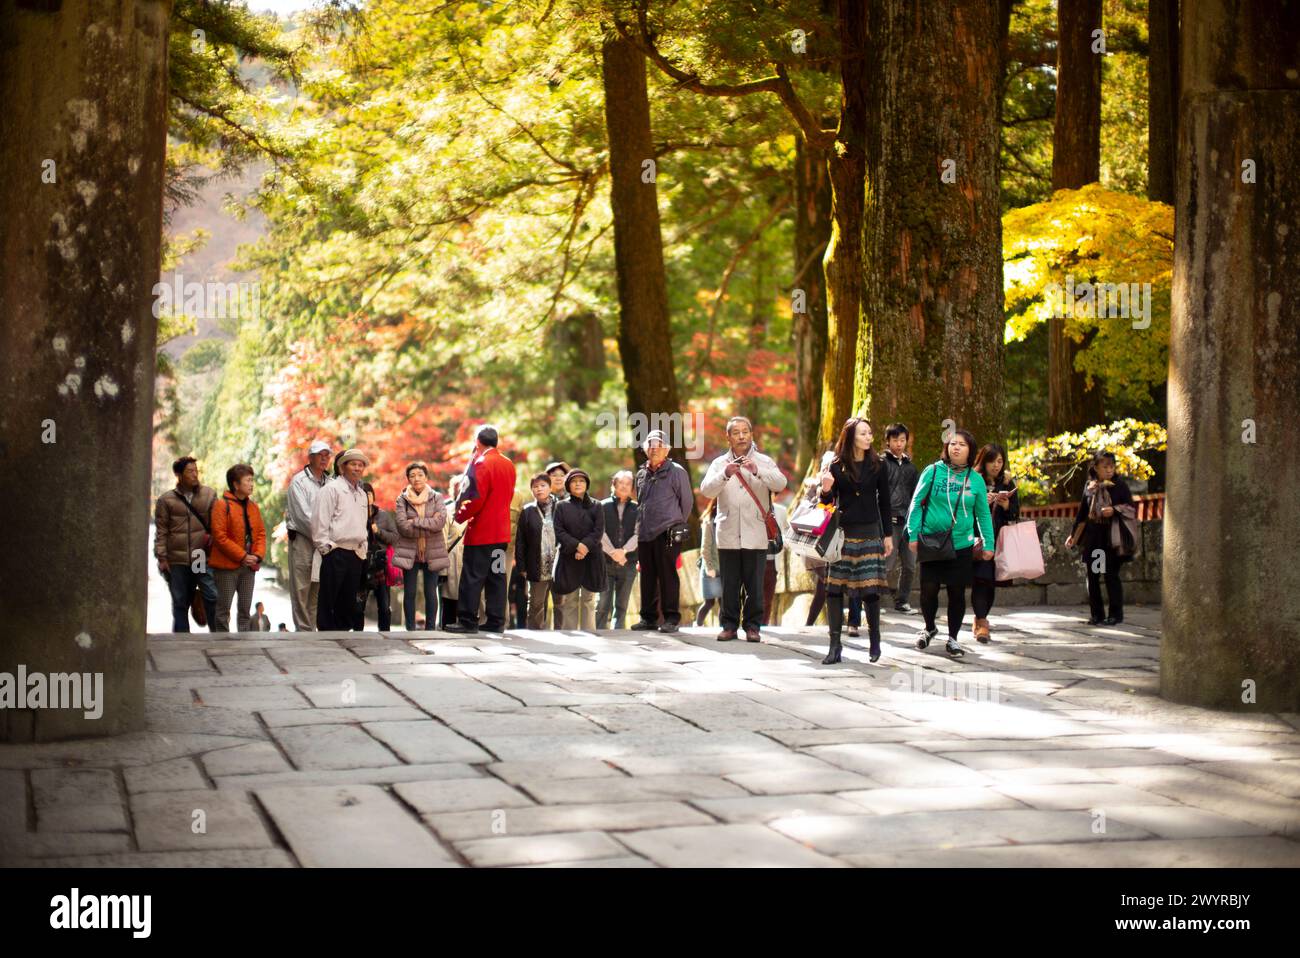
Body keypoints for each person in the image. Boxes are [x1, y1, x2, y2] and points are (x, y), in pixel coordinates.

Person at [906, 429, 995, 658]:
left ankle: (953, 638)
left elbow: (983, 515)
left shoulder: (975, 480)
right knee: (928, 590)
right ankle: (929, 627)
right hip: (932, 542)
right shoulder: (933, 471)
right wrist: (912, 534)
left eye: (962, 444)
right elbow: (916, 504)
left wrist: (988, 544)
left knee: (956, 593)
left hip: (961, 545)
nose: (956, 447)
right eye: (952, 443)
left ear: (970, 451)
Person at [700, 416, 787, 642]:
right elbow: (706, 491)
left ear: (751, 434)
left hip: (756, 531)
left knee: (754, 585)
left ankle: (752, 626)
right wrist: (725, 474)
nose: (741, 436)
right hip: (728, 532)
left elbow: (780, 483)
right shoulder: (719, 463)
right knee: (729, 583)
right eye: (736, 432)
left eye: (745, 432)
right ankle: (728, 625)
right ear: (728, 437)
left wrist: (757, 470)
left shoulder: (764, 461)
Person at [818, 418, 893, 664]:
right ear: (851, 436)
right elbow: (827, 505)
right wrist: (826, 490)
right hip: (843, 534)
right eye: (863, 433)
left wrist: (888, 535)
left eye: (870, 433)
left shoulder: (878, 465)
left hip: (871, 532)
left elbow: (885, 502)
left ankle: (874, 642)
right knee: (834, 590)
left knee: (870, 590)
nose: (869, 437)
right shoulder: (836, 465)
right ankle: (834, 646)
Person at [445, 426, 517, 634]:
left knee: (473, 576)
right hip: (501, 532)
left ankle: (467, 620)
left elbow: (475, 498)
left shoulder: (482, 463)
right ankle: (496, 620)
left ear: (477, 442)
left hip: (482, 533)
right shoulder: (508, 464)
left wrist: (461, 515)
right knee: (496, 575)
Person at [630, 431, 694, 633]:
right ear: (645, 448)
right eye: (650, 445)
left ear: (667, 449)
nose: (654, 448)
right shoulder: (641, 474)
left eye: (658, 445)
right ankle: (648, 618)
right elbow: (641, 503)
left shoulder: (677, 471)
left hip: (668, 532)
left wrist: (675, 523)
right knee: (647, 576)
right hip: (645, 532)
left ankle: (671, 619)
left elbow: (687, 503)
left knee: (667, 576)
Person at [1066, 451, 1133, 625]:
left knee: (1111, 576)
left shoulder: (1120, 486)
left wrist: (1115, 510)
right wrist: (1073, 535)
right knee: (1094, 576)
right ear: (1096, 468)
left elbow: (1130, 508)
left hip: (1112, 539)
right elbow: (1082, 513)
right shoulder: (1090, 487)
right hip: (1095, 539)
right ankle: (1097, 614)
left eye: (1112, 466)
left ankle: (1115, 615)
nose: (1109, 470)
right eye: (1105, 466)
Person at [154, 456, 219, 632]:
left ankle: (218, 635)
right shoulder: (166, 500)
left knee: (211, 596)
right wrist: (162, 557)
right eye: (190, 471)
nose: (194, 474)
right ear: (179, 475)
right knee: (180, 601)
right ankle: (182, 639)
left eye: (196, 470)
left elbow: (217, 526)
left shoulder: (208, 495)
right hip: (177, 559)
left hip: (200, 556)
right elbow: (161, 532)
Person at [311, 448, 371, 631]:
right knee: (329, 598)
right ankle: (326, 635)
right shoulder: (331, 489)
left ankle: (344, 634)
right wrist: (325, 548)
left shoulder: (361, 494)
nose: (357, 468)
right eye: (353, 464)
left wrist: (364, 546)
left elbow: (364, 522)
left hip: (355, 552)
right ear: (342, 467)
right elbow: (320, 520)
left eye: (360, 465)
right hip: (335, 550)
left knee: (348, 599)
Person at [970, 443, 1020, 642]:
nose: (996, 465)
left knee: (991, 582)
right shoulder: (973, 479)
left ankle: (981, 620)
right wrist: (983, 502)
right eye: (992, 461)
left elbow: (1016, 512)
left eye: (1000, 461)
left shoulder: (1007, 482)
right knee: (980, 580)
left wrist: (1007, 505)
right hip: (978, 538)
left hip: (1000, 538)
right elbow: (963, 507)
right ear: (983, 461)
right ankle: (982, 622)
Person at [210, 463, 267, 632]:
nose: (252, 484)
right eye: (248, 480)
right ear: (236, 484)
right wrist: (242, 556)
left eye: (252, 480)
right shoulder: (222, 505)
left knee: (245, 609)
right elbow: (220, 537)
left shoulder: (253, 507)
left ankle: (244, 641)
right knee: (223, 608)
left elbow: (261, 534)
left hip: (249, 566)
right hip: (227, 566)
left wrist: (257, 555)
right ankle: (222, 642)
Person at [393, 461, 449, 631]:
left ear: (426, 477)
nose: (416, 478)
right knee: (409, 592)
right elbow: (402, 526)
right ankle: (410, 628)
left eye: (420, 475)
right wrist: (427, 524)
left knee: (431, 592)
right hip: (410, 551)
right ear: (408, 479)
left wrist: (415, 522)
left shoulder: (437, 497)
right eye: (412, 475)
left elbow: (439, 523)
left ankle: (430, 628)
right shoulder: (402, 499)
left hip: (432, 550)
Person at [285, 440, 332, 630]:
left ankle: (313, 630)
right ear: (310, 457)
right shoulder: (299, 482)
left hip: (324, 542)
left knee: (317, 588)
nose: (324, 458)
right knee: (301, 588)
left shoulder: (331, 482)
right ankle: (303, 631)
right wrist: (325, 535)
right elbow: (303, 516)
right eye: (320, 454)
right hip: (304, 540)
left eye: (327, 455)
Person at [551, 470, 606, 630]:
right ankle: (571, 638)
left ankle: (590, 634)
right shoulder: (561, 506)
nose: (578, 484)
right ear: (568, 485)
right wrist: (577, 546)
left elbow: (598, 530)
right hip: (569, 557)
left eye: (581, 481)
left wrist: (585, 547)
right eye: (574, 481)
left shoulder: (597, 505)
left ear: (587, 484)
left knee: (589, 600)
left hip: (591, 557)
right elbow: (559, 530)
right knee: (570, 599)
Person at [882, 423, 920, 613]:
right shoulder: (882, 464)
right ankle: (876, 602)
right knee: (886, 564)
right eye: (895, 440)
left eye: (902, 440)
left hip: (908, 522)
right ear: (888, 441)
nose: (899, 444)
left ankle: (902, 601)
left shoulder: (911, 468)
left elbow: (917, 494)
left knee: (910, 564)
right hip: (888, 521)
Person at [515, 472, 560, 629]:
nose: (539, 489)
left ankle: (564, 638)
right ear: (531, 490)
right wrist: (522, 567)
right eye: (535, 486)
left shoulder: (561, 507)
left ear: (550, 487)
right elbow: (520, 541)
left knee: (560, 604)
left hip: (559, 564)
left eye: (543, 485)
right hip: (536, 563)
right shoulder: (527, 511)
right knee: (535, 604)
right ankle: (536, 635)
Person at [596, 471, 640, 630]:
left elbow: (638, 533)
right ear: (614, 485)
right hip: (605, 562)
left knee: (622, 604)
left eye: (628, 484)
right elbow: (599, 532)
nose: (624, 486)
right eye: (621, 483)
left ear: (632, 488)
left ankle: (618, 633)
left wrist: (624, 551)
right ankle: (599, 632)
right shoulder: (602, 505)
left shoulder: (637, 508)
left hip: (628, 562)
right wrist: (613, 553)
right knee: (602, 604)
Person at [355, 482, 400, 631]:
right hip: (361, 563)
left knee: (384, 605)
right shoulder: (354, 515)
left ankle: (385, 633)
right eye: (362, 494)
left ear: (373, 496)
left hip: (380, 564)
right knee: (358, 605)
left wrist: (378, 531)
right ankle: (357, 634)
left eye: (369, 494)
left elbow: (394, 537)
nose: (366, 498)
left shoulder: (383, 515)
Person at [694, 500, 722, 627]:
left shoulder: (725, 524)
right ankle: (698, 625)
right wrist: (710, 568)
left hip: (723, 568)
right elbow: (704, 549)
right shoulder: (709, 524)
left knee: (724, 602)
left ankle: (724, 626)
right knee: (709, 602)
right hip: (710, 569)